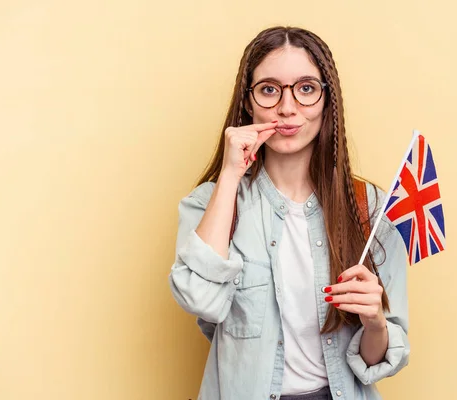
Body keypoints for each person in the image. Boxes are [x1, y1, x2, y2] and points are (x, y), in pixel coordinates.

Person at [169, 26, 410, 400]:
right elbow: (199, 299)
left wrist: (374, 321)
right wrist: (231, 175)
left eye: (306, 88)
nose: (287, 107)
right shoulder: (209, 203)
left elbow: (377, 359)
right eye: (269, 89)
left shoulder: (369, 208)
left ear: (327, 100)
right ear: (248, 102)